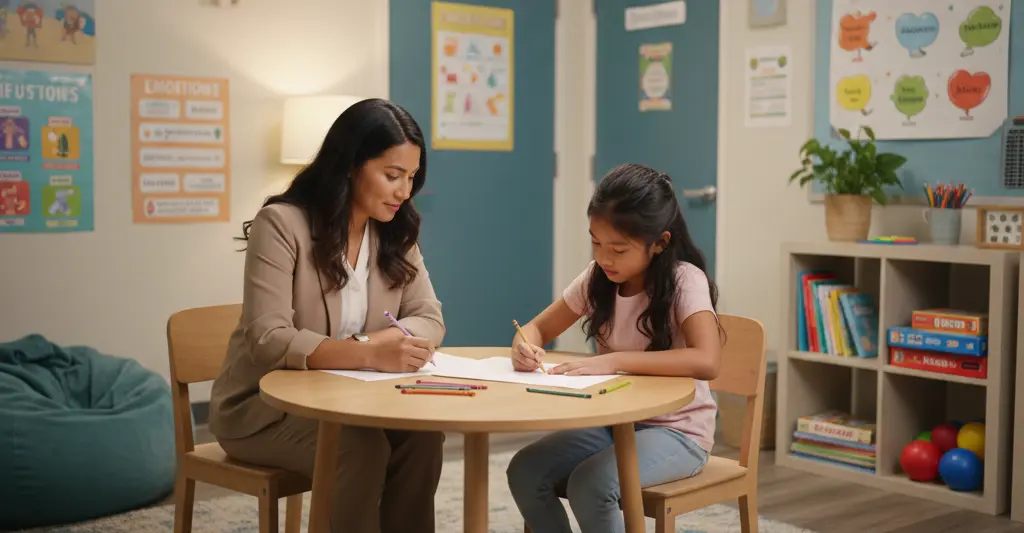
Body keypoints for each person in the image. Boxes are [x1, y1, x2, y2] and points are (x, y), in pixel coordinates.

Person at [208, 98, 446, 533]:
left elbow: (429, 317)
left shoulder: (396, 231)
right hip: (264, 409)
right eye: (392, 176)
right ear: (351, 165)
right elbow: (269, 339)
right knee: (360, 449)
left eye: (411, 178)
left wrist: (378, 346)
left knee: (424, 437)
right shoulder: (281, 225)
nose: (404, 192)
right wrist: (370, 353)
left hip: (356, 403)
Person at [505, 163, 724, 533]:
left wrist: (614, 362)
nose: (605, 258)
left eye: (619, 249)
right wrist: (523, 344)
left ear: (660, 242)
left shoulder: (685, 280)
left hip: (679, 432)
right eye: (596, 242)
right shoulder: (598, 278)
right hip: (616, 423)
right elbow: (539, 327)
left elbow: (708, 360)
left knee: (591, 485)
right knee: (525, 470)